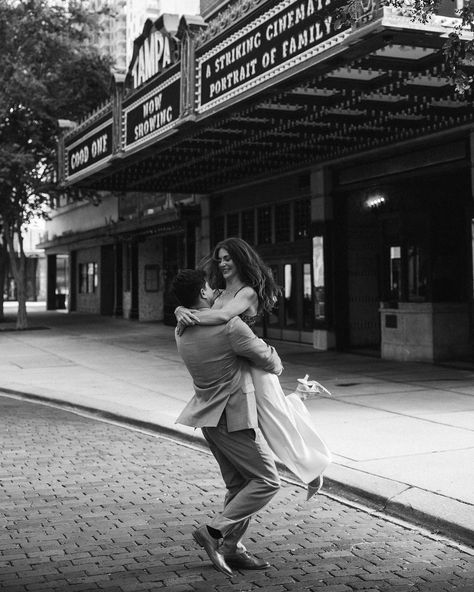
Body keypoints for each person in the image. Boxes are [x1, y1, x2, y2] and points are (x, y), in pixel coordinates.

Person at [175, 237, 332, 501]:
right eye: (220, 259)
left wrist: (183, 314)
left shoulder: (246, 292)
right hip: (235, 366)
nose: (223, 263)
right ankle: (302, 395)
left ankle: (313, 471)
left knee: (277, 422)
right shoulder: (217, 292)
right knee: (274, 418)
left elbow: (223, 318)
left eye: (228, 258)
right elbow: (201, 309)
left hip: (256, 365)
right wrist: (181, 308)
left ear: (240, 259)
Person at [171, 268, 284, 576]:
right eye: (212, 288)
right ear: (205, 293)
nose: (218, 292)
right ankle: (214, 531)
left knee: (238, 485)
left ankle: (232, 549)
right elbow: (273, 363)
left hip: (208, 419)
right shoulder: (231, 328)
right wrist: (257, 343)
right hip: (233, 418)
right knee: (266, 480)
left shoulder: (180, 329)